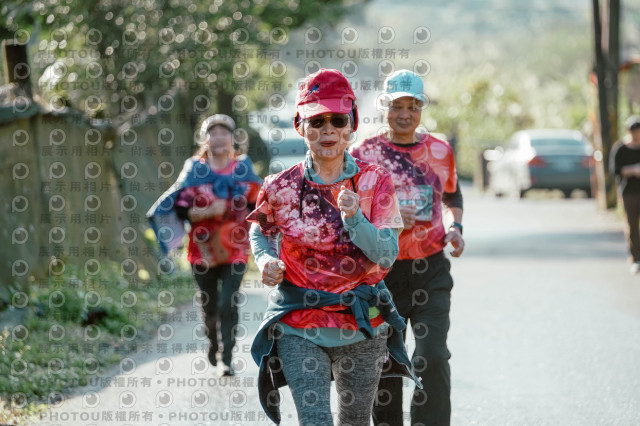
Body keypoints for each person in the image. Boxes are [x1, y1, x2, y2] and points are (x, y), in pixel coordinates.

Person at [247, 68, 421, 426]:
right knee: (315, 420)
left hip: (362, 323)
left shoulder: (375, 181)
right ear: (300, 126)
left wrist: (355, 218)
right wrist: (265, 260)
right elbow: (260, 232)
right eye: (316, 121)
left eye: (337, 120)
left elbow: (386, 254)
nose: (327, 130)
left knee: (355, 421)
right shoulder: (279, 186)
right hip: (298, 323)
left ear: (351, 124)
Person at [350, 69, 465, 426]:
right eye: (396, 106)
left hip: (431, 269)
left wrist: (456, 227)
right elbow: (348, 212)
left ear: (421, 109)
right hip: (381, 274)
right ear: (384, 106)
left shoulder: (440, 150)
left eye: (412, 106)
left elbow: (452, 195)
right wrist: (391, 215)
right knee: (385, 361)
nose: (404, 114)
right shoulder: (363, 153)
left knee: (432, 356)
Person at [147, 114, 262, 375]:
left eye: (224, 132)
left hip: (236, 248)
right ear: (204, 139)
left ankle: (227, 357)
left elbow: (258, 204)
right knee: (209, 305)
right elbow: (180, 208)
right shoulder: (194, 169)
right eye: (213, 132)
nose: (219, 137)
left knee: (228, 302)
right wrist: (208, 211)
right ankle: (213, 343)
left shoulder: (243, 169)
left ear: (232, 138)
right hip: (203, 250)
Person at [611, 115, 640, 275]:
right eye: (634, 131)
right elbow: (615, 170)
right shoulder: (621, 149)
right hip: (629, 192)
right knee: (632, 225)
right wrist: (633, 170)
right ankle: (636, 258)